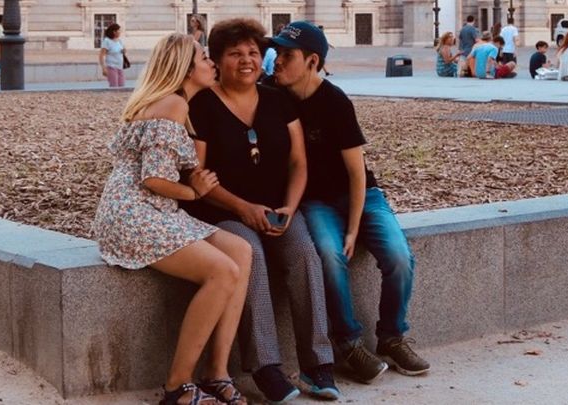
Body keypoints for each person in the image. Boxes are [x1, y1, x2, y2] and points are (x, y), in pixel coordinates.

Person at [91, 33, 252, 405]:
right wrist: (195, 193)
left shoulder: (174, 102)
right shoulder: (173, 104)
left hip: (151, 209)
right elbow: (154, 179)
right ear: (185, 68)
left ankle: (217, 372)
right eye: (204, 58)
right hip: (133, 213)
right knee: (222, 271)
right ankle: (178, 387)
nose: (211, 64)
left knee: (241, 251)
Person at [185, 18, 338, 403]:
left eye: (253, 52)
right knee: (249, 253)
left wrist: (290, 206)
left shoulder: (277, 99)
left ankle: (318, 362)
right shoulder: (202, 105)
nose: (247, 60)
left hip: (278, 207)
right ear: (217, 60)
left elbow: (298, 162)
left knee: (304, 253)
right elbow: (196, 177)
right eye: (234, 53)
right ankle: (266, 365)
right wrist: (243, 207)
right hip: (222, 211)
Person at [270, 20, 430, 384]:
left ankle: (392, 336)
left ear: (312, 61)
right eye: (277, 52)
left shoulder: (335, 102)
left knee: (399, 257)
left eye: (287, 55)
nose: (277, 60)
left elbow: (357, 174)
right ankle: (349, 343)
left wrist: (354, 228)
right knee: (330, 256)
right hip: (315, 201)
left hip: (362, 195)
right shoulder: (273, 95)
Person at [99, 23, 126, 88]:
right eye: (119, 30)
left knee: (122, 86)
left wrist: (123, 51)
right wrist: (103, 68)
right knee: (114, 87)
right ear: (114, 32)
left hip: (120, 67)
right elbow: (102, 55)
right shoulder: (107, 41)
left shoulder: (119, 41)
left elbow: (122, 51)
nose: (120, 32)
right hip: (111, 67)